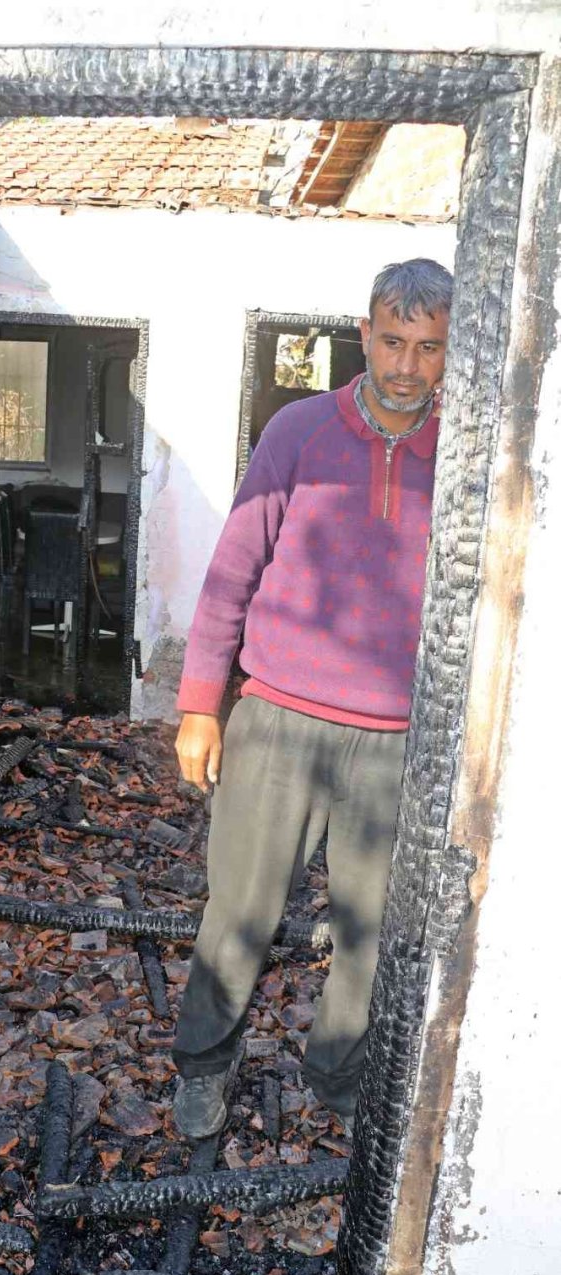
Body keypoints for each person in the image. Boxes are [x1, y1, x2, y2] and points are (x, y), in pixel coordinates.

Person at [171, 258, 452, 1140]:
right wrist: (199, 703)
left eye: (429, 348)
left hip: (400, 743)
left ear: (451, 353)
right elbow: (233, 571)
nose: (408, 365)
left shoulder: (474, 453)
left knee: (372, 936)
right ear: (364, 333)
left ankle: (339, 1074)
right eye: (393, 340)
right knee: (241, 915)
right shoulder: (298, 430)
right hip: (279, 725)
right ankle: (204, 1066)